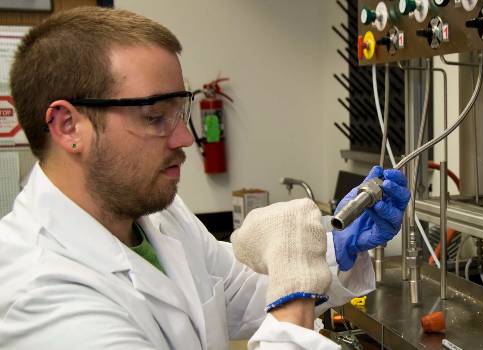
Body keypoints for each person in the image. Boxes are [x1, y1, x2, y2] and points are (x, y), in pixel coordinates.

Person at [0, 6, 408, 350]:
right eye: (154, 117)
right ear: (68, 126)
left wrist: (334, 247)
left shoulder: (156, 213)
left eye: (180, 112)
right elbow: (282, 298)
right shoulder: (41, 296)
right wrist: (295, 295)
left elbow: (235, 290)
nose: (183, 138)